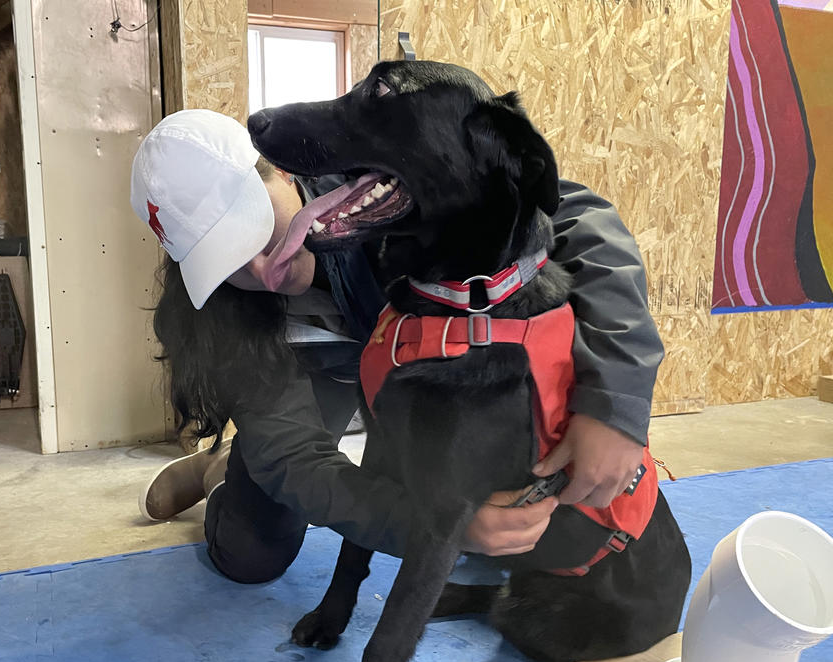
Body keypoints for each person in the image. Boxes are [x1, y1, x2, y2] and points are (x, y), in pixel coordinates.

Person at [129, 109, 663, 583]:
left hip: (430, 368)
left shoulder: (386, 183)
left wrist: (616, 404)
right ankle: (218, 470)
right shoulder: (227, 316)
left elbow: (578, 216)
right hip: (325, 378)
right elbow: (296, 459)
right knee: (249, 557)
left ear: (286, 171)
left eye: (255, 230)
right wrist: (435, 526)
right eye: (226, 262)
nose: (260, 270)